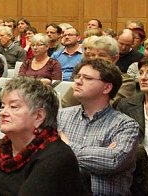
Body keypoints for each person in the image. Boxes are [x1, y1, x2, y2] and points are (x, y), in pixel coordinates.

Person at [0, 77, 89, 195]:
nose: (3, 113)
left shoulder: (57, 156)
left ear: (38, 116)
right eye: (3, 106)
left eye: (13, 107)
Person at [58, 58, 140, 195]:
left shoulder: (126, 125)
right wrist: (99, 154)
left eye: (87, 78)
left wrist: (66, 146)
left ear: (107, 87)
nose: (77, 81)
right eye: (78, 76)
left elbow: (113, 160)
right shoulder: (60, 116)